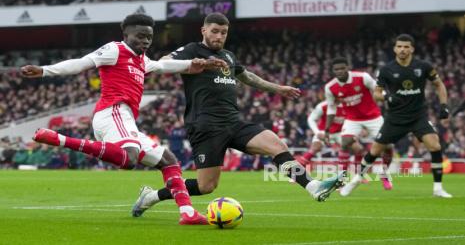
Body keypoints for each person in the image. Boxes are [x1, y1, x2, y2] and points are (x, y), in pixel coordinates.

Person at [20, 13, 228, 224]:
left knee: (168, 160)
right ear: (125, 34)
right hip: (112, 112)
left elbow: (162, 66)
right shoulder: (114, 49)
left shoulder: (141, 60)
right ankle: (59, 139)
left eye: (149, 37)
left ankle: (188, 214)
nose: (145, 41)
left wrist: (193, 64)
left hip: (125, 119)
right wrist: (44, 70)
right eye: (140, 36)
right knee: (128, 159)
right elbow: (83, 63)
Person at [131, 13, 346, 217]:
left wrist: (278, 88)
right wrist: (194, 64)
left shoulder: (228, 56)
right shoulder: (191, 50)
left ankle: (313, 186)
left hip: (234, 122)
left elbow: (249, 77)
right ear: (203, 30)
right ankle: (151, 196)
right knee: (206, 186)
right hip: (206, 126)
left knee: (276, 144)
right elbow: (163, 62)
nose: (219, 36)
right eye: (214, 31)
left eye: (223, 32)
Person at [340, 34, 453, 198]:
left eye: (406, 47)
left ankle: (437, 189)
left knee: (435, 146)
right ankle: (356, 180)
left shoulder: (424, 66)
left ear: (412, 49)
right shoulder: (386, 70)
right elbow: (376, 94)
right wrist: (387, 97)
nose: (402, 49)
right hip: (395, 118)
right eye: (399, 46)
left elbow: (439, 84)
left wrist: (444, 106)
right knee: (375, 151)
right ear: (395, 49)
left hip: (418, 116)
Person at [324, 57, 393, 192]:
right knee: (344, 142)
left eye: (342, 68)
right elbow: (331, 108)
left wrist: (388, 99)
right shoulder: (330, 87)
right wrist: (326, 129)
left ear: (348, 67)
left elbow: (377, 90)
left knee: (388, 146)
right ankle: (342, 179)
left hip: (373, 116)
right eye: (336, 69)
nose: (339, 71)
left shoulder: (362, 77)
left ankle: (384, 174)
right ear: (332, 71)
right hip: (352, 119)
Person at [296, 100, 366, 174]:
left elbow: (356, 120)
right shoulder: (323, 105)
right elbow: (311, 119)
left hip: (340, 132)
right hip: (324, 131)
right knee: (316, 147)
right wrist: (317, 132)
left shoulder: (349, 106)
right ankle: (297, 172)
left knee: (358, 148)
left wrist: (358, 131)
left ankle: (358, 175)